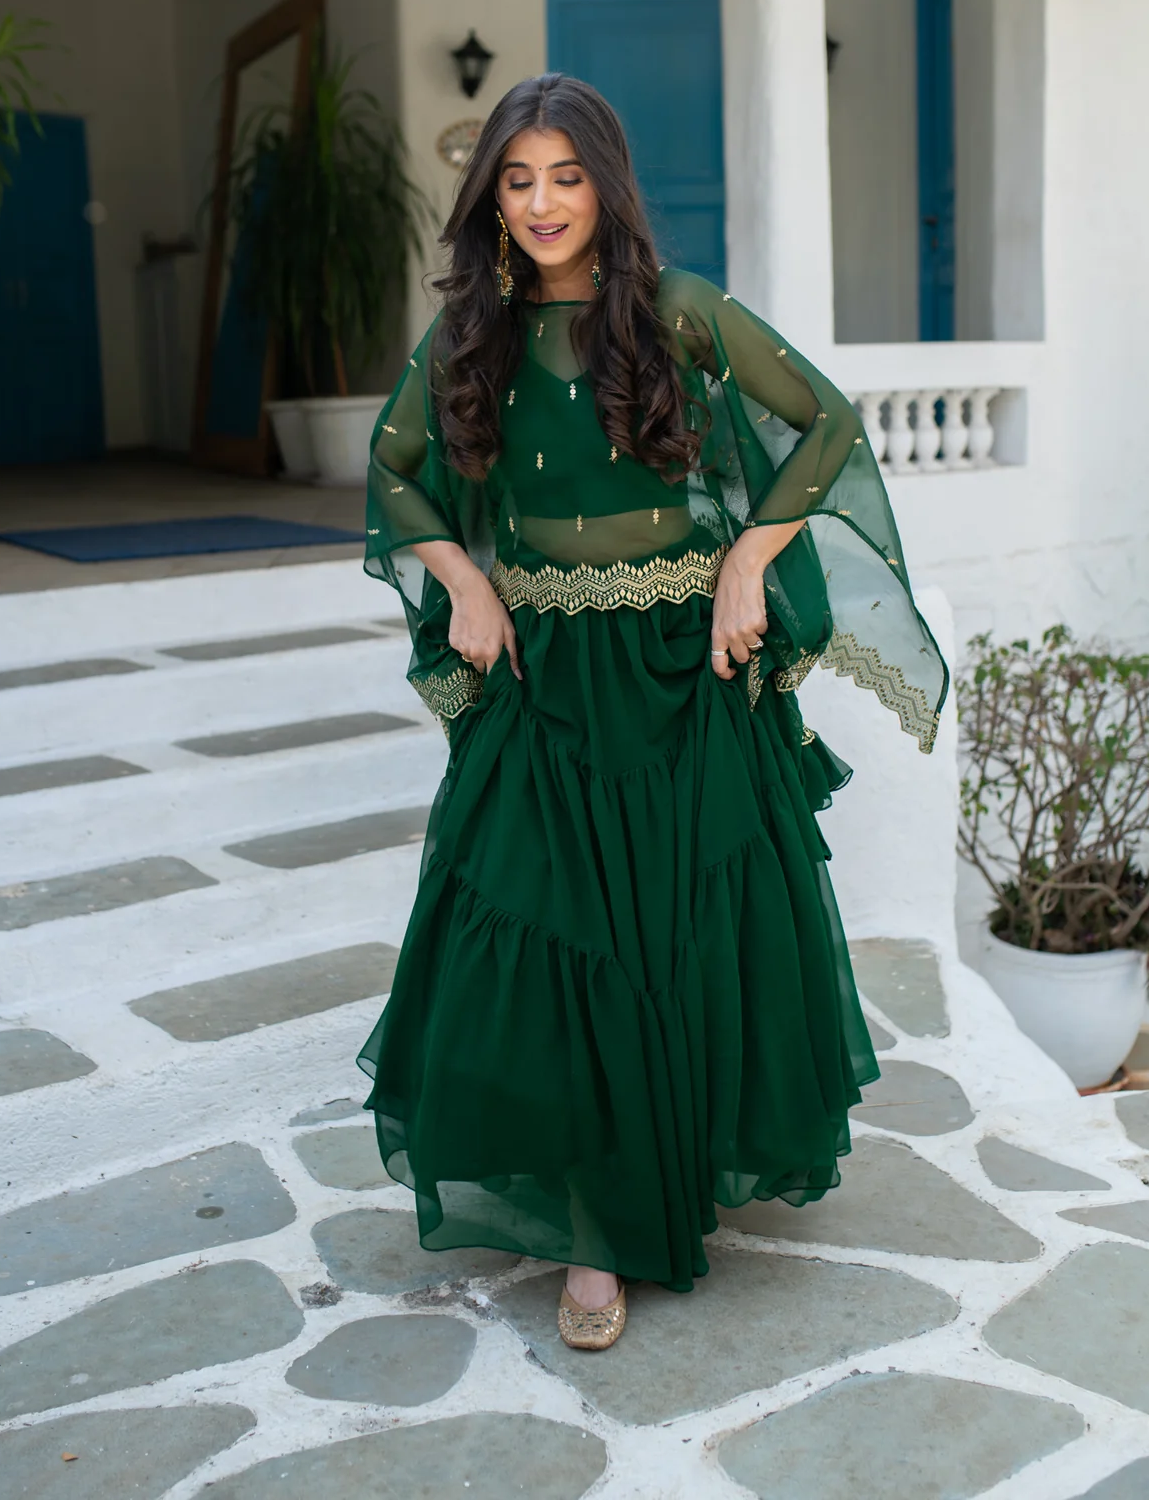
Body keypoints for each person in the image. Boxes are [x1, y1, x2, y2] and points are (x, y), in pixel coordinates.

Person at [358, 73, 947, 1350]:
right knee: (553, 926)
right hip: (544, 678)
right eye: (519, 180)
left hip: (686, 670)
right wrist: (463, 577)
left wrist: (750, 560)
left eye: (566, 177)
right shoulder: (468, 335)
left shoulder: (676, 310)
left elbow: (826, 423)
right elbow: (392, 470)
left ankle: (667, 1172)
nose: (542, 203)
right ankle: (595, 1229)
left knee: (682, 926)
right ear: (491, 199)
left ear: (606, 185)